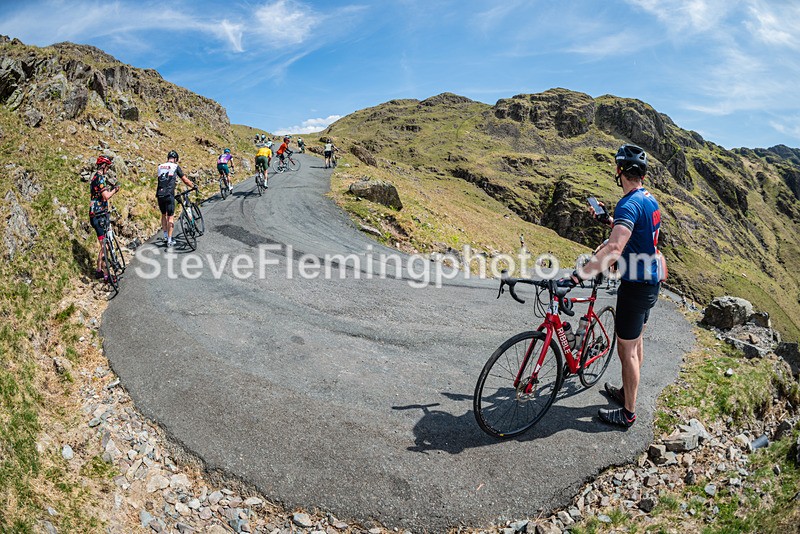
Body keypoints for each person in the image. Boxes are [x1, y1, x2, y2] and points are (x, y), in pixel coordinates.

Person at [566, 144, 663, 428]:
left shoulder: (628, 203)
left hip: (636, 285)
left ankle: (628, 412)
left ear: (619, 170)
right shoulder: (649, 199)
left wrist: (576, 277)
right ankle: (625, 392)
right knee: (636, 341)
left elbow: (615, 247)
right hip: (651, 282)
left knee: (627, 350)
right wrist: (608, 220)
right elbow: (638, 234)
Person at [89, 155, 120, 279]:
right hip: (100, 214)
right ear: (104, 166)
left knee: (103, 244)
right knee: (105, 246)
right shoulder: (100, 178)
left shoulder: (94, 177)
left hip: (94, 214)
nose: (108, 169)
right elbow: (106, 196)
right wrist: (115, 190)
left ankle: (99, 270)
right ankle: (107, 276)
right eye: (108, 167)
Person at [156, 150, 195, 247]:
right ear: (176, 159)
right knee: (170, 217)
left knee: (163, 214)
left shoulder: (160, 166)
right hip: (169, 194)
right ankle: (169, 240)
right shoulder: (175, 166)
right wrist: (193, 186)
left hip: (160, 194)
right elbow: (185, 180)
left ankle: (165, 236)